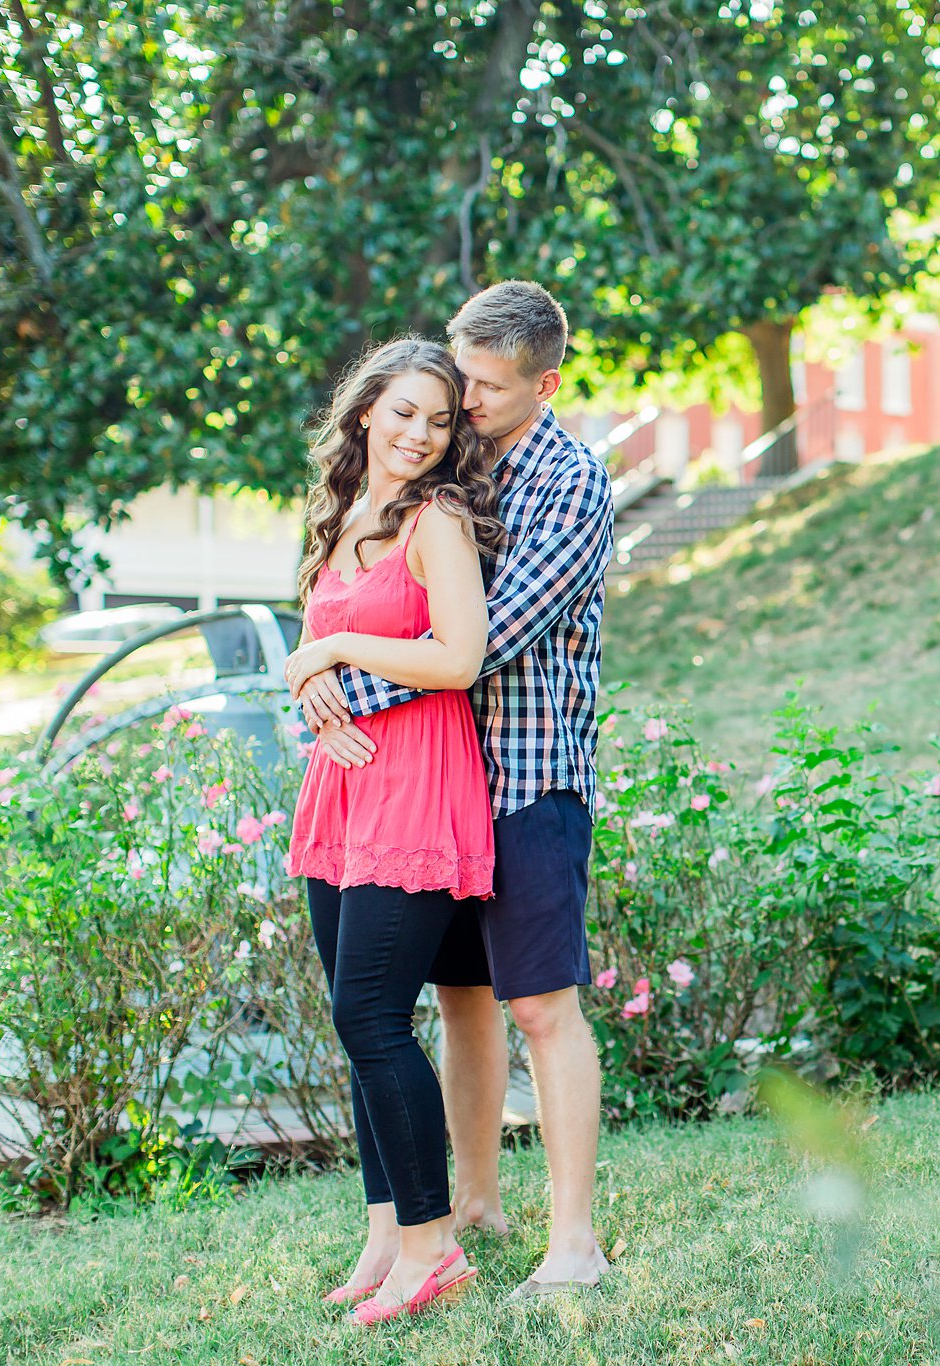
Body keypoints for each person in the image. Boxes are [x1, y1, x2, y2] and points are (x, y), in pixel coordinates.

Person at [294, 281, 617, 1298]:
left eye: (482, 387)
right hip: (427, 785)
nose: (459, 403)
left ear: (543, 383)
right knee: (458, 1000)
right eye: (454, 376)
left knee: (540, 1005)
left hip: (524, 777)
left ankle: (574, 1242)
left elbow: (477, 644)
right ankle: (468, 1201)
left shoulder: (568, 482)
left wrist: (333, 676)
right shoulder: (449, 452)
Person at [280, 336, 506, 1325]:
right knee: (353, 1015)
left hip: (414, 780)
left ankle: (433, 1243)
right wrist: (312, 673)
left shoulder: (436, 518)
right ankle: (385, 1233)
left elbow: (457, 656)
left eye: (440, 418)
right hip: (339, 789)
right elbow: (305, 650)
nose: (419, 433)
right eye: (403, 411)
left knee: (371, 1014)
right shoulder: (340, 515)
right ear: (365, 410)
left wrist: (329, 645)